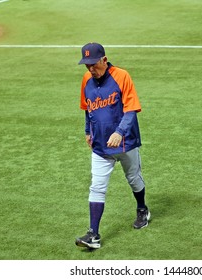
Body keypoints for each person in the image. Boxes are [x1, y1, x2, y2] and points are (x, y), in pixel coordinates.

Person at [75, 42, 150, 249]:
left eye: (93, 64)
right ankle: (93, 234)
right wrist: (88, 131)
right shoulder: (86, 80)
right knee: (96, 187)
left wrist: (119, 132)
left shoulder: (121, 76)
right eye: (86, 65)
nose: (90, 69)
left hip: (126, 142)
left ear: (104, 60)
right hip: (99, 145)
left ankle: (142, 208)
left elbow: (131, 109)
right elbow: (87, 109)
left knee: (134, 179)